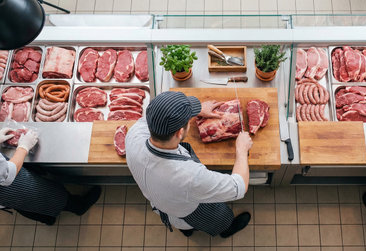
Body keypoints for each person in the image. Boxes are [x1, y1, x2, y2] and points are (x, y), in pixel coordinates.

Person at [126, 91, 253, 238]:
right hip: (188, 210)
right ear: (179, 133)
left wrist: (196, 110)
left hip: (161, 201)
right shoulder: (189, 177)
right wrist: (241, 150)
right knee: (223, 218)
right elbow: (239, 186)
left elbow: (158, 116)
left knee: (182, 223)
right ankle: (226, 230)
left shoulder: (134, 136)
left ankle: (187, 231)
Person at [0, 128, 101, 225]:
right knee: (47, 195)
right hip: (9, 185)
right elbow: (8, 172)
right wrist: (23, 147)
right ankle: (79, 207)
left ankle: (47, 219)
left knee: (22, 204)